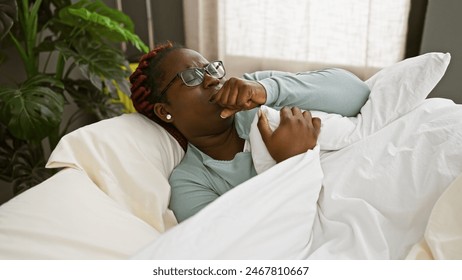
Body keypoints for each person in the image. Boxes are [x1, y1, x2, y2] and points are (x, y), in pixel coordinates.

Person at [130, 41, 370, 222]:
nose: (212, 80)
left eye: (211, 69)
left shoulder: (256, 92)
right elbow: (238, 249)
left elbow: (357, 93)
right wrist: (291, 163)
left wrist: (267, 90)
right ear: (164, 111)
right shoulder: (191, 182)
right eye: (191, 77)